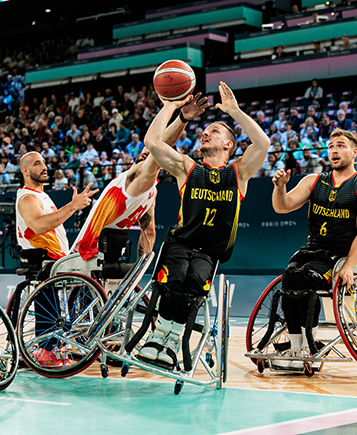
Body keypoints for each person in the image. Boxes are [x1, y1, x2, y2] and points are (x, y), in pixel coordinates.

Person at [137, 82, 270, 369]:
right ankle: (158, 335)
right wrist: (172, 109)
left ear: (228, 145)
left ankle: (172, 340)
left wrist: (234, 112)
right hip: (180, 243)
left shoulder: (240, 173)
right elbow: (153, 143)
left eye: (215, 131)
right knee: (173, 281)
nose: (205, 132)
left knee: (194, 286)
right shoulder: (187, 167)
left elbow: (263, 144)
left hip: (209, 253)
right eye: (205, 131)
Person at [271, 128, 357, 365]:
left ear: (354, 152)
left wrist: (350, 266)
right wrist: (280, 187)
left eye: (340, 145)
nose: (334, 150)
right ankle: (296, 348)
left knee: (304, 278)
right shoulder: (314, 181)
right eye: (331, 146)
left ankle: (309, 347)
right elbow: (282, 207)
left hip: (339, 258)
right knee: (289, 277)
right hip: (311, 251)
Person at [71, 93, 210, 263]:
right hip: (86, 249)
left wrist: (138, 270)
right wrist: (178, 115)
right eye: (146, 152)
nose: (147, 152)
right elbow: (158, 145)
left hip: (106, 248)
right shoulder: (133, 176)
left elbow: (149, 231)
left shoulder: (151, 190)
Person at [15, 151, 97, 366]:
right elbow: (39, 225)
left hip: (58, 257)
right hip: (43, 259)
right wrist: (73, 206)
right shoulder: (27, 197)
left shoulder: (43, 196)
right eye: (36, 163)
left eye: (44, 162)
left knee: (95, 265)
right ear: (25, 171)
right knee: (90, 271)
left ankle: (85, 334)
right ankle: (46, 348)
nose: (44, 167)